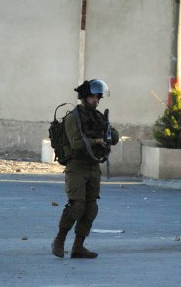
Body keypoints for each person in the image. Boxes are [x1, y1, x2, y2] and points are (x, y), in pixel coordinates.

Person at [51, 79, 119, 259]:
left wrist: (109, 132)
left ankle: (78, 246)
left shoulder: (97, 116)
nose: (96, 99)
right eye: (93, 96)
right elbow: (77, 144)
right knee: (77, 205)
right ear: (84, 97)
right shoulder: (74, 117)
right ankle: (59, 240)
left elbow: (114, 137)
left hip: (93, 166)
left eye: (98, 96)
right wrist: (97, 141)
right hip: (77, 165)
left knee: (91, 208)